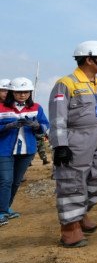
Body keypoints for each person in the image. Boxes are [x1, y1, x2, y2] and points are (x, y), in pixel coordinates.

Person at [49, 40, 97, 247]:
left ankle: (81, 212)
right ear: (89, 59)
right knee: (73, 181)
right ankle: (70, 227)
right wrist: (60, 145)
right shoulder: (66, 83)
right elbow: (57, 117)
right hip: (76, 139)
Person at [0, 77, 50, 225]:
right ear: (12, 93)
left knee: (16, 182)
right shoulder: (2, 108)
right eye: (19, 92)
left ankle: (6, 207)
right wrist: (6, 127)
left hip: (27, 150)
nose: (22, 95)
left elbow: (45, 125)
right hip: (4, 150)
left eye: (26, 92)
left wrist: (36, 126)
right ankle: (1, 212)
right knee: (5, 181)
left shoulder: (36, 107)